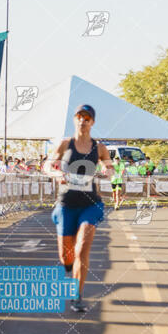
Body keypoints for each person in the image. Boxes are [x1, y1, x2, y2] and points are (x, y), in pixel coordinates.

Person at [43, 104, 113, 313]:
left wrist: (106, 172)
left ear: (92, 122)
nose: (83, 120)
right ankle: (68, 266)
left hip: (90, 204)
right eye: (79, 117)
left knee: (82, 247)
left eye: (87, 118)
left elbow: (109, 167)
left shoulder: (99, 148)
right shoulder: (65, 144)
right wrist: (57, 175)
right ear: (75, 120)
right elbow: (47, 166)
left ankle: (77, 296)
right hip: (66, 204)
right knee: (67, 256)